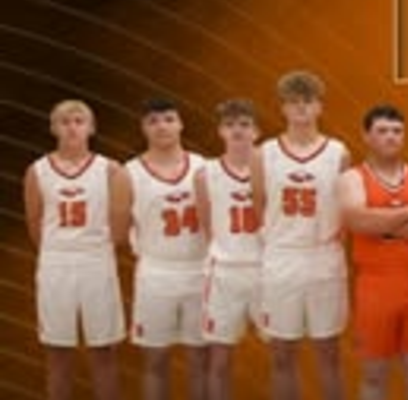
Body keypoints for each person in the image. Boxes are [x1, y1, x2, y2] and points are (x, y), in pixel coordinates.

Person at [339, 105, 408, 400]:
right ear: (367, 137)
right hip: (375, 288)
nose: (391, 137)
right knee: (374, 374)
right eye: (382, 131)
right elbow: (357, 221)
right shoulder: (352, 178)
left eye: (397, 131)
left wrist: (380, 225)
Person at [257, 70, 350, 400]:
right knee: (281, 353)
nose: (300, 108)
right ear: (282, 108)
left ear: (319, 107)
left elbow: (345, 209)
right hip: (282, 256)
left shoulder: (338, 152)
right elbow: (259, 207)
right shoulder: (264, 152)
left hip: (323, 255)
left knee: (329, 352)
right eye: (293, 102)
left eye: (307, 101)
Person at [26, 100, 126, 400]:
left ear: (91, 128)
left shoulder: (110, 169)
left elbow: (120, 220)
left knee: (104, 351)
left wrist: (98, 248)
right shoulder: (37, 171)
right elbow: (34, 222)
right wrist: (59, 252)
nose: (72, 127)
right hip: (56, 263)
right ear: (53, 128)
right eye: (64, 121)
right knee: (58, 353)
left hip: (97, 261)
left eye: (79, 120)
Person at [125, 98, 208, 399]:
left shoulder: (204, 167)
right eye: (153, 120)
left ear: (181, 124)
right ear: (143, 128)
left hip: (200, 271)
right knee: (155, 359)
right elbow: (120, 224)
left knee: (200, 358)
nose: (162, 126)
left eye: (169, 119)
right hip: (156, 273)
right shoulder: (129, 173)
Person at [197, 99, 265, 400]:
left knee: (282, 355)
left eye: (245, 124)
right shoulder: (205, 174)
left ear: (257, 132)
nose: (237, 130)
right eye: (230, 124)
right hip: (225, 271)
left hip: (268, 271)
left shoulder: (274, 170)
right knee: (220, 359)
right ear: (220, 131)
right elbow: (207, 227)